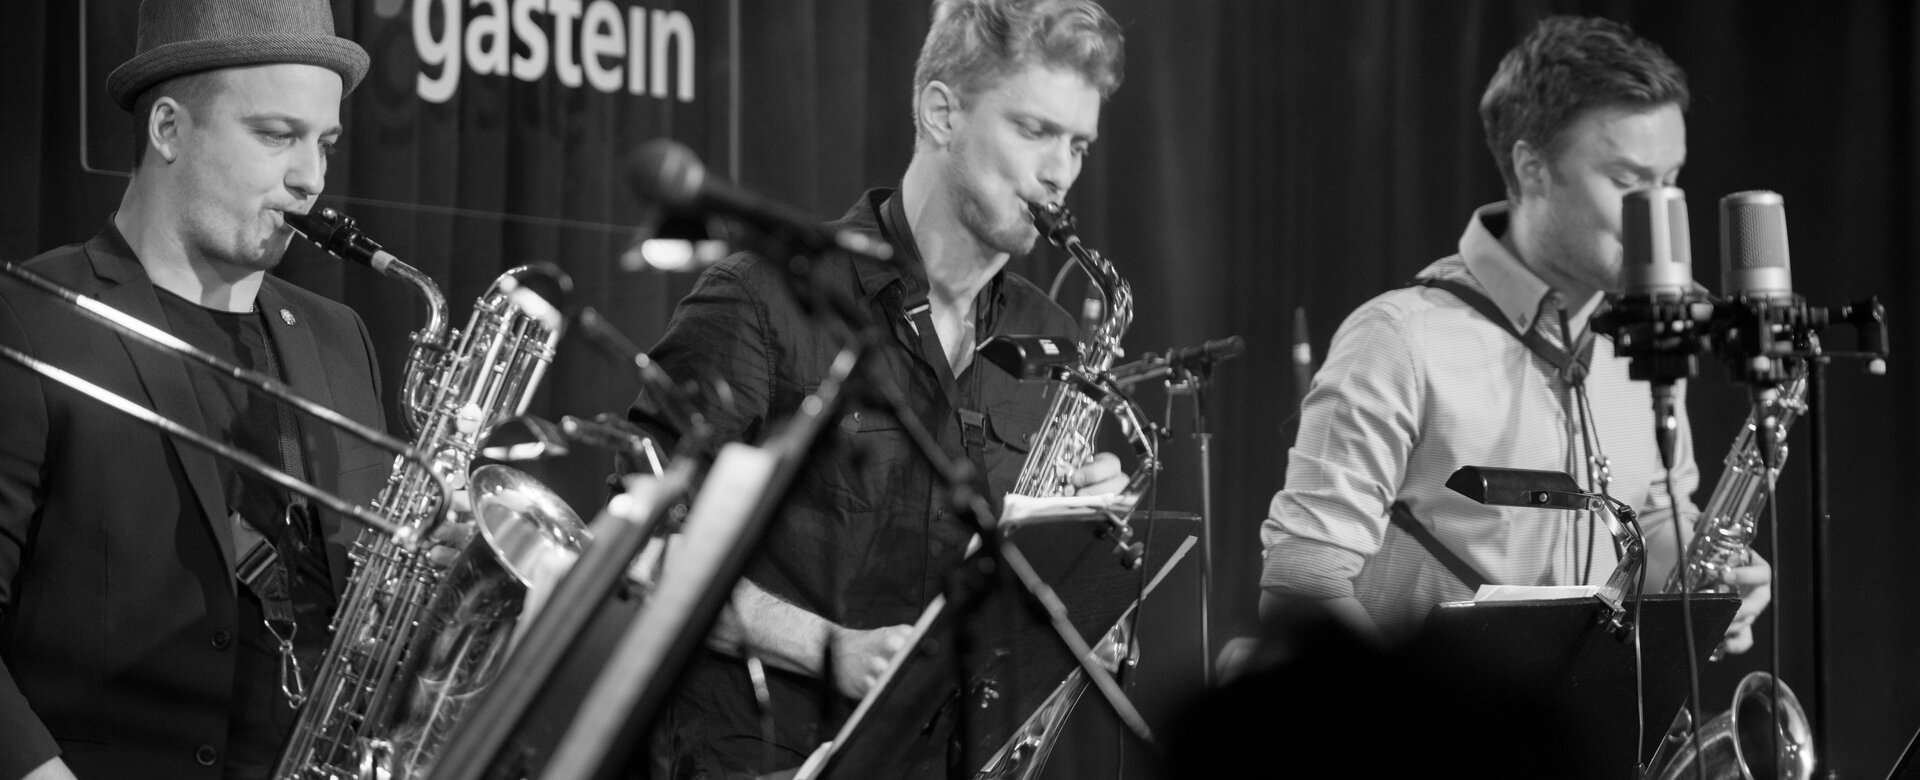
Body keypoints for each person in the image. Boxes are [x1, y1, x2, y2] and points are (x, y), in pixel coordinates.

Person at [627, 1, 1127, 777]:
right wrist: (833, 648)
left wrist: (1079, 556)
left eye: (1079, 145)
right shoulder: (761, 297)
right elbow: (637, 554)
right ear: (941, 113)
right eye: (1034, 131)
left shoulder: (1055, 338)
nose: (1060, 174)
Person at [1258, 16, 1771, 649]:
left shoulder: (1643, 331)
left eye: (1670, 180)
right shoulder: (1397, 339)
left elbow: (1659, 515)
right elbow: (1301, 586)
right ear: (1531, 168)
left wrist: (1711, 579)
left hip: (1580, 741)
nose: (1660, 215)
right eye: (1628, 182)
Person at [0, 1, 389, 778]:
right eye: (277, 135)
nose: (310, 178)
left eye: (325, 143)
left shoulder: (341, 336)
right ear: (169, 129)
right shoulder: (31, 317)